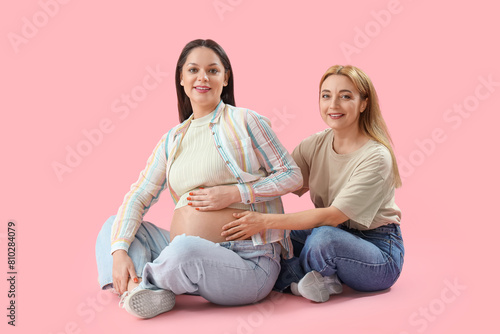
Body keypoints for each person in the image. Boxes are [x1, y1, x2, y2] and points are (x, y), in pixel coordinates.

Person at [95, 39, 302, 318]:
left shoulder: (246, 121)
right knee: (114, 229)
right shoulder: (172, 139)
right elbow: (139, 195)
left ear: (225, 78)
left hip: (248, 261)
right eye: (193, 70)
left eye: (213, 70)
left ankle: (149, 285)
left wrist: (236, 193)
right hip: (183, 255)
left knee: (184, 248)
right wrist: (119, 252)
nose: (202, 77)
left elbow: (292, 175)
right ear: (181, 78)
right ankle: (147, 289)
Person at [221, 65, 404, 303]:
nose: (333, 105)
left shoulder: (376, 156)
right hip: (334, 230)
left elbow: (331, 217)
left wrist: (264, 222)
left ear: (363, 103)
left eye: (345, 96)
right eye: (326, 95)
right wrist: (232, 187)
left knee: (322, 239)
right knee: (275, 238)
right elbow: (279, 181)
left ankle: (287, 279)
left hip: (379, 252)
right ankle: (314, 279)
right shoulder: (315, 144)